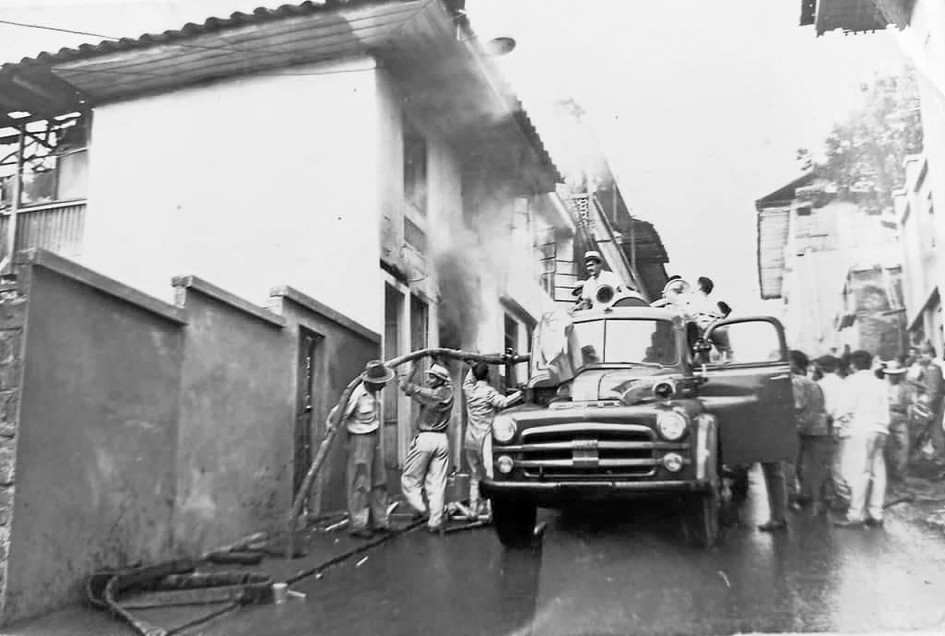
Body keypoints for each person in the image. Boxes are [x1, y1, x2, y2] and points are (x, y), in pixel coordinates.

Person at [327, 360, 394, 539]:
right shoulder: (356, 394)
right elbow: (338, 413)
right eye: (381, 382)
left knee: (380, 480)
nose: (384, 385)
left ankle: (381, 521)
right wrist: (332, 429)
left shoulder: (374, 394)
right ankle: (358, 523)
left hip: (373, 438)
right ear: (372, 381)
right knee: (360, 482)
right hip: (360, 440)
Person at [833, 350, 890, 528]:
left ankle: (855, 515)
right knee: (878, 472)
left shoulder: (851, 382)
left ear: (852, 365)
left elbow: (845, 408)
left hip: (860, 430)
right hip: (880, 429)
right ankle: (876, 513)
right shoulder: (879, 382)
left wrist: (837, 424)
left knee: (859, 472)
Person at [400, 361, 455, 533]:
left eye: (432, 377)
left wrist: (414, 367)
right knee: (437, 483)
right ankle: (435, 520)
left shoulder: (429, 394)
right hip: (441, 440)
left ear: (439, 380)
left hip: (425, 439)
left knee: (410, 479)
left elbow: (404, 385)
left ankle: (422, 509)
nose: (429, 379)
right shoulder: (449, 393)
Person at [463, 362, 522, 519]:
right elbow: (503, 402)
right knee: (490, 475)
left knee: (474, 475)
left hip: (470, 438)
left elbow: (468, 381)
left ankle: (473, 511)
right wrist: (520, 394)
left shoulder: (469, 390)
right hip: (485, 439)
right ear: (488, 375)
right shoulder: (488, 392)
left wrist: (472, 366)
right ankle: (490, 511)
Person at [789, 350, 832, 516]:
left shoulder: (795, 383)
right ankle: (817, 501)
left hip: (801, 427)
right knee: (817, 467)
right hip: (819, 427)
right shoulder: (815, 383)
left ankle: (798, 498)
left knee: (795, 465)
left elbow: (797, 407)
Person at [818, 355, 850, 511]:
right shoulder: (844, 383)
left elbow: (827, 409)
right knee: (843, 460)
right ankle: (841, 494)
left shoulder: (820, 385)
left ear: (821, 367)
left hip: (830, 424)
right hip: (847, 424)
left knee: (833, 462)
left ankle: (843, 496)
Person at [881, 360, 910, 487]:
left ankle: (900, 475)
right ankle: (889, 477)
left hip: (900, 417)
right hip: (886, 416)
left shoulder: (904, 387)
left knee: (904, 447)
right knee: (886, 447)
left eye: (896, 374)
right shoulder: (882, 386)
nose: (893, 377)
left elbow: (907, 404)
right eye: (891, 374)